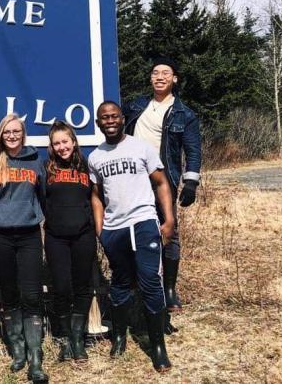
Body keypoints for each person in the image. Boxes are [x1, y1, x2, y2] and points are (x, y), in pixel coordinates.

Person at [88, 101, 175, 373]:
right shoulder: (95, 157)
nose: (110, 120)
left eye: (114, 116)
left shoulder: (141, 147)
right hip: (115, 229)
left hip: (143, 222)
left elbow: (161, 182)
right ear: (98, 123)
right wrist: (100, 229)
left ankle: (158, 346)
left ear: (122, 119)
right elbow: (96, 195)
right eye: (105, 118)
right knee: (121, 282)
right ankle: (118, 337)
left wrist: (169, 219)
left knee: (150, 280)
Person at [123, 57, 202, 315]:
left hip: (163, 178)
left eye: (165, 73)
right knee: (132, 229)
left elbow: (192, 150)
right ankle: (136, 282)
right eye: (155, 72)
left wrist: (190, 183)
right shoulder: (135, 106)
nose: (159, 77)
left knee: (168, 229)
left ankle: (169, 289)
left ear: (174, 79)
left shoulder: (185, 114)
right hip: (132, 177)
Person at [0, 114, 48, 383]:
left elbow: (42, 195)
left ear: (23, 134)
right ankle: (18, 351)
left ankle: (35, 359)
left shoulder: (36, 161)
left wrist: (32, 215)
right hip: (0, 236)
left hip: (30, 235)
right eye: (7, 132)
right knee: (9, 294)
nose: (11, 135)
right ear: (1, 134)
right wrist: (0, 217)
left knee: (32, 295)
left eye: (16, 131)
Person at [43, 122, 96, 363]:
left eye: (65, 141)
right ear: (52, 147)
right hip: (56, 238)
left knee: (83, 287)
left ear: (73, 142)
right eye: (57, 143)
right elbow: (41, 199)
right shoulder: (46, 169)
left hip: (83, 235)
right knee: (61, 288)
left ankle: (78, 338)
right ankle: (65, 338)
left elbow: (97, 198)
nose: (62, 147)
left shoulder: (87, 166)